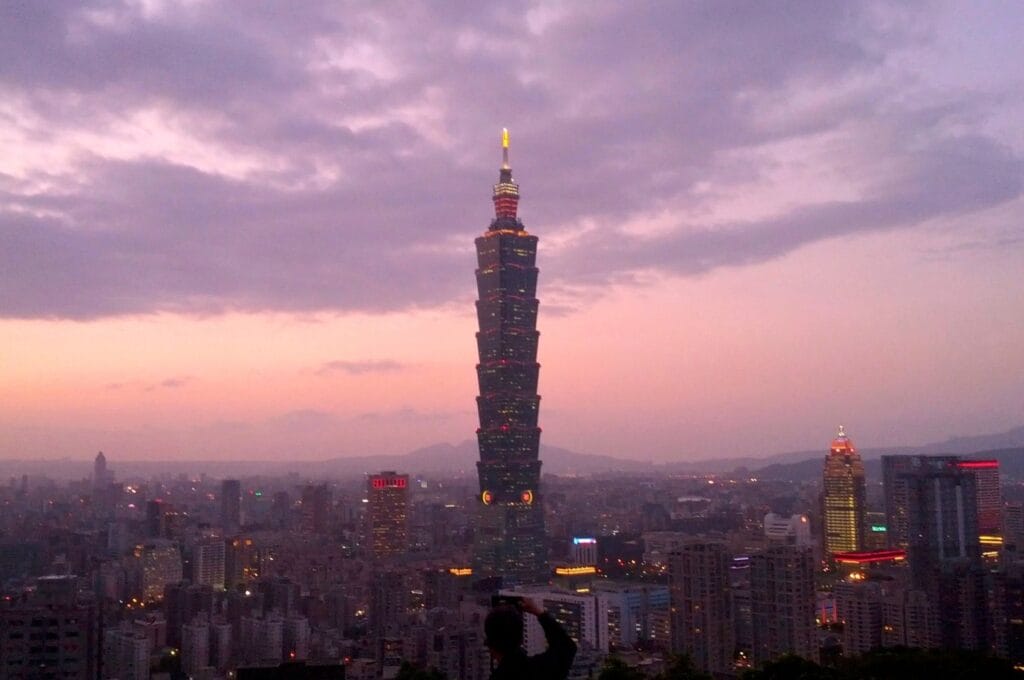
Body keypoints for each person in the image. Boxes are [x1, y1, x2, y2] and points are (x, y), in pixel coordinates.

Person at [485, 596, 577, 680]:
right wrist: (539, 613)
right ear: (521, 640)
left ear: (490, 646)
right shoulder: (542, 670)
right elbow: (566, 646)